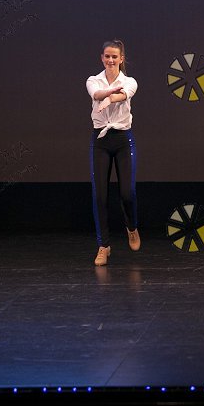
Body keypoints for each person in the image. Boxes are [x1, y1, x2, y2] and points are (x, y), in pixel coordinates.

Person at [86, 39, 140, 266]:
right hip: (100, 141)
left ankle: (132, 227)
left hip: (122, 140)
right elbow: (96, 94)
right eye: (107, 56)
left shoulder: (129, 81)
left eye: (114, 57)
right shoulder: (93, 80)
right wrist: (106, 94)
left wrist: (111, 97)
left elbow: (123, 95)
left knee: (127, 193)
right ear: (102, 58)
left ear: (121, 59)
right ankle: (103, 245)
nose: (110, 60)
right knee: (100, 195)